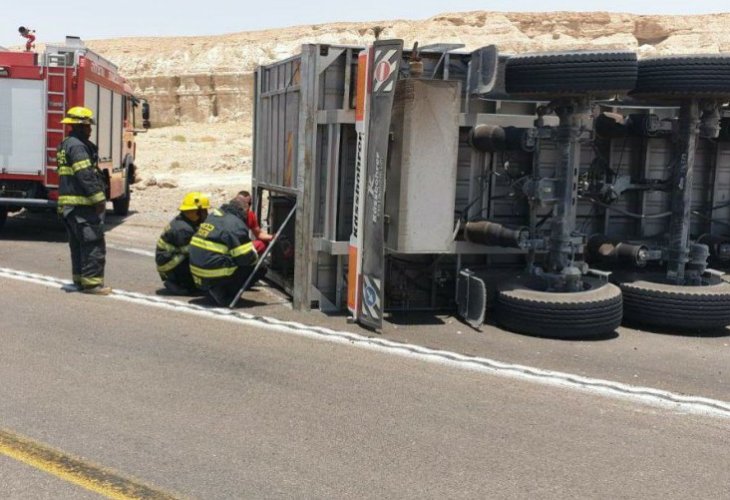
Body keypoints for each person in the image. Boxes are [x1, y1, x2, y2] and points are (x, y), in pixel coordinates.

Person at [57, 106, 110, 295]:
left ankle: (80, 280)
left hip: (69, 207)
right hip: (82, 206)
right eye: (88, 126)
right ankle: (92, 285)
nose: (90, 129)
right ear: (80, 126)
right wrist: (98, 199)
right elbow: (85, 175)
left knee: (78, 245)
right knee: (92, 243)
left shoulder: (66, 144)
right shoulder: (78, 146)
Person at [189, 193, 265, 306]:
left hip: (196, 274)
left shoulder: (214, 216)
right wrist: (256, 256)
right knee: (259, 268)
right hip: (211, 274)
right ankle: (224, 293)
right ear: (244, 209)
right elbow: (245, 258)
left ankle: (212, 287)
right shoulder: (236, 224)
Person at [156, 192, 210, 294]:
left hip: (169, 259)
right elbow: (193, 252)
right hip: (170, 264)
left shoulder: (186, 222)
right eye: (204, 211)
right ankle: (178, 283)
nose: (206, 214)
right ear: (196, 212)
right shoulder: (184, 229)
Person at [238, 190, 273, 254]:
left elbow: (259, 234)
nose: (246, 206)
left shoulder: (250, 215)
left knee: (263, 243)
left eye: (249, 203)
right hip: (230, 246)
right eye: (242, 203)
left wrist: (273, 237)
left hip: (242, 246)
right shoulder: (229, 215)